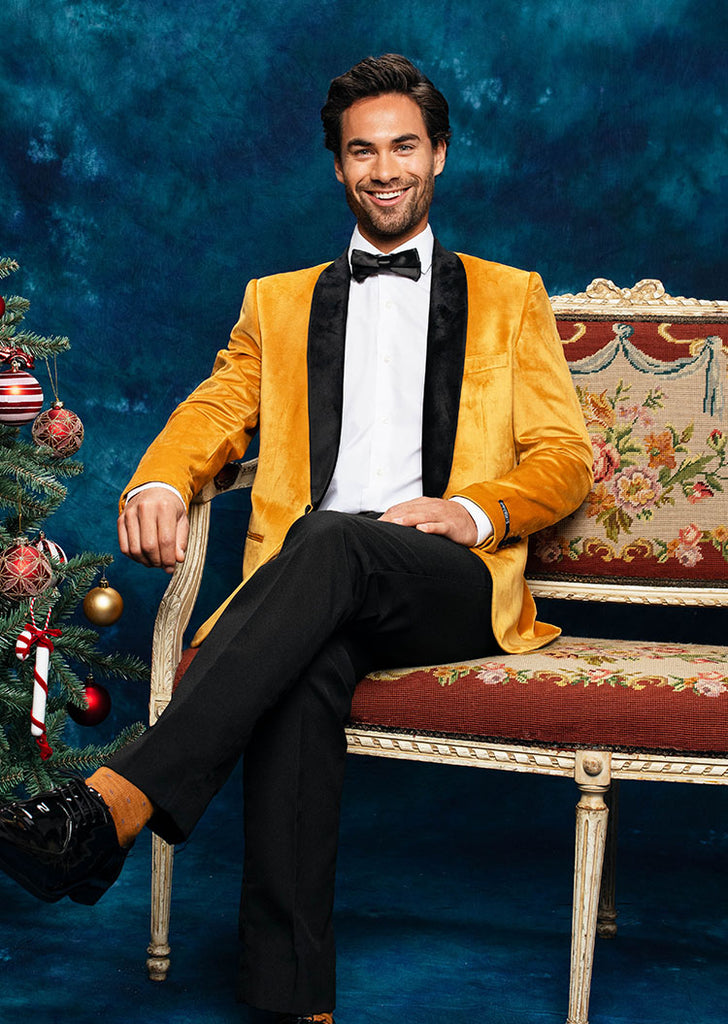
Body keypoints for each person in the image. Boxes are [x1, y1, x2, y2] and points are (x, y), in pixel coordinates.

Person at [0, 54, 593, 1024]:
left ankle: (108, 808)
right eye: (362, 151)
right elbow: (214, 412)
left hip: (446, 579)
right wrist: (157, 475)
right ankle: (290, 1004)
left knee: (330, 543)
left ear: (437, 155)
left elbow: (565, 459)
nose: (384, 167)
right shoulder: (275, 303)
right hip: (316, 587)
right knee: (304, 660)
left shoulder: (508, 294)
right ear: (337, 169)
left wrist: (470, 510)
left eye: (404, 145)